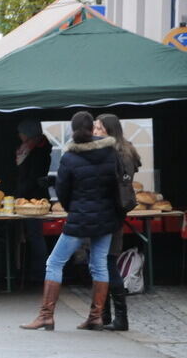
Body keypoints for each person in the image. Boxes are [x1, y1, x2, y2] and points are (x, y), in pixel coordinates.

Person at [21, 111, 119, 332]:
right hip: (106, 217)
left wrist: (72, 207)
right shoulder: (111, 153)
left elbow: (62, 190)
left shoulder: (70, 156)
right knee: (100, 264)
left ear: (74, 130)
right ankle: (96, 316)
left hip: (80, 216)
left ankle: (46, 315)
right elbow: (116, 186)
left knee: (54, 262)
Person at [95, 113, 141, 331]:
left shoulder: (116, 154)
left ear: (109, 131)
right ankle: (103, 315)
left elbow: (110, 187)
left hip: (108, 214)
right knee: (101, 264)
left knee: (107, 264)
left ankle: (120, 318)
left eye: (98, 128)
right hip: (110, 214)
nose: (94, 132)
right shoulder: (121, 151)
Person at [15, 119, 53, 283]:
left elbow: (32, 178)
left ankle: (39, 274)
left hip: (34, 199)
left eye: (22, 133)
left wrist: (17, 194)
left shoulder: (38, 151)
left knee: (35, 236)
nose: (19, 136)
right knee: (33, 236)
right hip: (29, 196)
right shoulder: (32, 148)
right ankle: (33, 271)